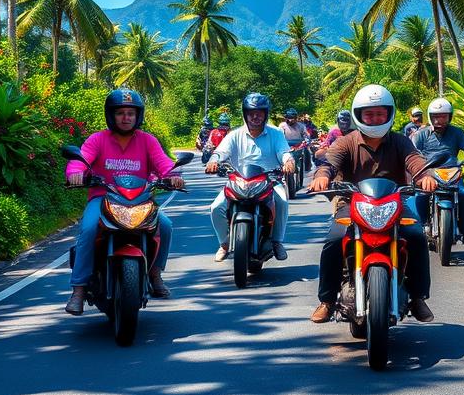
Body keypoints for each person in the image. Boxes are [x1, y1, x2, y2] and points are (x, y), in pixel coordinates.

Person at [308, 84, 437, 324]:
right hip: (351, 203)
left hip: (394, 204)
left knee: (417, 237)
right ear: (359, 115)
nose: (375, 118)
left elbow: (415, 162)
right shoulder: (345, 142)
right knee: (334, 240)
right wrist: (322, 176)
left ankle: (418, 298)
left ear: (389, 114)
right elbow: (329, 163)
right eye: (369, 114)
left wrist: (425, 177)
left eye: (380, 113)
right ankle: (326, 301)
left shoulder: (400, 142)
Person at [64, 89, 184, 315]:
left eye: (131, 113)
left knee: (165, 225)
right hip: (103, 199)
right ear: (111, 115)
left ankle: (155, 272)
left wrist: (174, 176)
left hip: (140, 201)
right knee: (88, 229)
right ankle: (78, 290)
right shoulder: (97, 139)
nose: (126, 117)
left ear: (138, 115)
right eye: (120, 113)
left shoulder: (148, 141)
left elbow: (164, 164)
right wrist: (76, 173)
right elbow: (80, 160)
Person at [205, 93, 296, 262]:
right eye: (251, 113)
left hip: (269, 180)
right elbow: (221, 152)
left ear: (265, 114)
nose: (255, 116)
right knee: (216, 207)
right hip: (238, 181)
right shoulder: (234, 134)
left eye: (260, 112)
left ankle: (277, 241)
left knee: (282, 200)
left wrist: (288, 161)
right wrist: (214, 160)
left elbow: (283, 152)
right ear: (245, 114)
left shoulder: (276, 133)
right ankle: (224, 244)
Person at [410, 98, 464, 245]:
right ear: (430, 117)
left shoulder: (457, 132)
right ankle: (422, 225)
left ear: (450, 116)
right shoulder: (421, 134)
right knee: (421, 195)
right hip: (429, 172)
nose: (439, 120)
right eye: (436, 116)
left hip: (452, 172)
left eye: (443, 116)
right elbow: (411, 153)